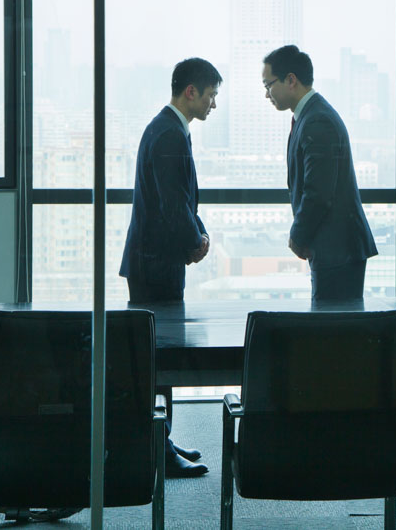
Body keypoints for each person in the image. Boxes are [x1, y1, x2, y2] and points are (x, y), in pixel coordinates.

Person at [119, 57, 221, 477]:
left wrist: (195, 232)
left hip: (154, 260)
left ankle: (161, 441)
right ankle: (158, 452)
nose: (214, 105)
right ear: (191, 92)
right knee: (158, 360)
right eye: (211, 95)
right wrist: (194, 241)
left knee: (158, 358)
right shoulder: (168, 134)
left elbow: (178, 199)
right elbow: (171, 203)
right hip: (155, 263)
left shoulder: (168, 128)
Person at [262, 44, 377, 300]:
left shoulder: (317, 121)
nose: (267, 94)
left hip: (338, 249)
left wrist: (297, 235)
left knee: (333, 332)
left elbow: (319, 191)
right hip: (334, 247)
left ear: (291, 80)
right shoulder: (310, 116)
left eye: (268, 85)